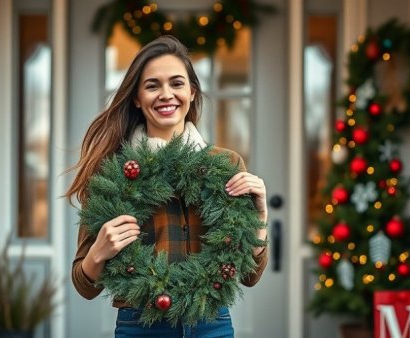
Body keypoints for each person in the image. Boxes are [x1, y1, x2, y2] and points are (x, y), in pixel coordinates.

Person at [66, 35, 268, 338]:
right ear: (136, 97)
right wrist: (98, 252)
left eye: (176, 83)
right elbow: (84, 286)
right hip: (141, 326)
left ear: (191, 92)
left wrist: (260, 217)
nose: (166, 94)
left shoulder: (226, 165)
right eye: (152, 85)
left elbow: (250, 275)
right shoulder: (114, 173)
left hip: (211, 324)